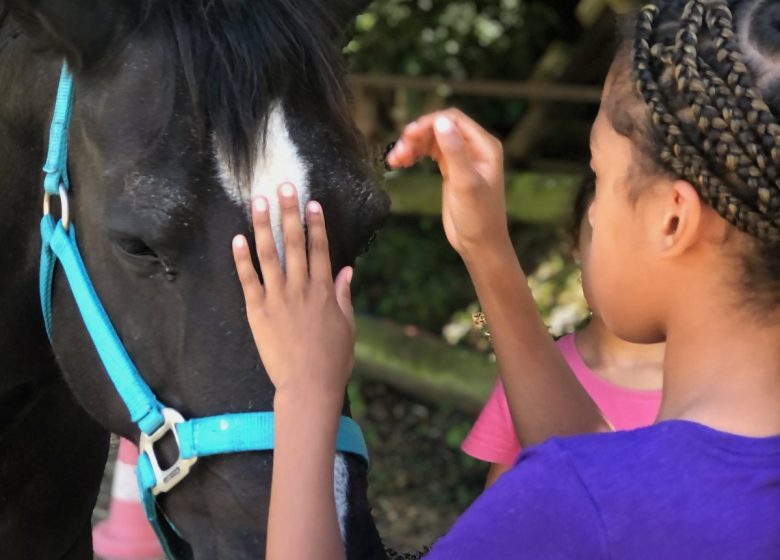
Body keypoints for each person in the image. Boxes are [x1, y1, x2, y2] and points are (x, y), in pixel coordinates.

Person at [232, 1, 780, 558]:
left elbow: (596, 497)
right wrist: (487, 250)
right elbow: (612, 475)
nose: (591, 211)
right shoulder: (645, 492)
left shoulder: (572, 501)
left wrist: (306, 391)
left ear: (673, 219)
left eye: (600, 173)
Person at [462, 173, 664, 488]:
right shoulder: (534, 372)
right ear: (576, 247)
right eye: (607, 233)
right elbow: (500, 511)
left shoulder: (725, 391)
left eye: (645, 239)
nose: (624, 262)